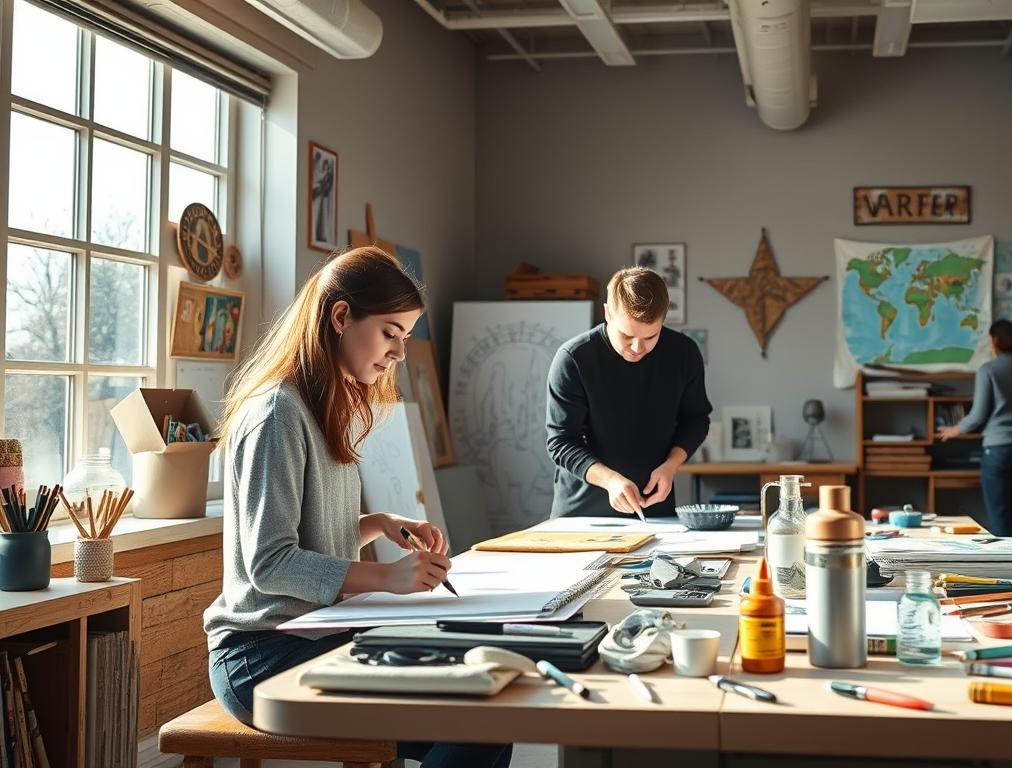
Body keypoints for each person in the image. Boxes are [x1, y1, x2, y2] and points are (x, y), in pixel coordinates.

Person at [203, 246, 512, 768]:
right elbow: (270, 563)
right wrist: (388, 579)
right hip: (261, 656)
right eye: (390, 332)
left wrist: (376, 525)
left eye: (405, 338)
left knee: (484, 701)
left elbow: (311, 536)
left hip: (319, 631)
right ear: (341, 316)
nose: (398, 353)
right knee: (475, 726)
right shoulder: (278, 413)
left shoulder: (326, 405)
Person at [547, 267, 711, 517]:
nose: (637, 347)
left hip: (654, 509)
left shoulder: (684, 354)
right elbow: (561, 441)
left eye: (650, 337)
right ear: (607, 314)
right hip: (582, 514)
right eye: (626, 335)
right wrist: (610, 480)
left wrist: (671, 466)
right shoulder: (574, 358)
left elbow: (696, 419)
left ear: (663, 320)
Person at [937, 320, 1012, 550]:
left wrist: (954, 430)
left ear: (994, 341)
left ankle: (1010, 573)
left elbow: (978, 415)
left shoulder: (988, 370)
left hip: (999, 450)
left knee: (1001, 514)